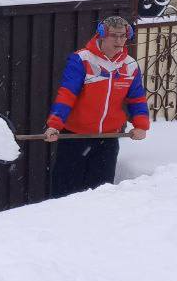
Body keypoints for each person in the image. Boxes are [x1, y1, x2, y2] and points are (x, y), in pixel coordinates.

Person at [43, 15, 150, 197]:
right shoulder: (82, 60)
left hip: (107, 140)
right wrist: (54, 124)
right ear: (101, 35)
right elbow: (67, 94)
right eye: (114, 36)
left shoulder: (130, 65)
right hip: (75, 139)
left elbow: (137, 99)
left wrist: (141, 125)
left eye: (123, 36)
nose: (119, 41)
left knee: (100, 195)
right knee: (64, 195)